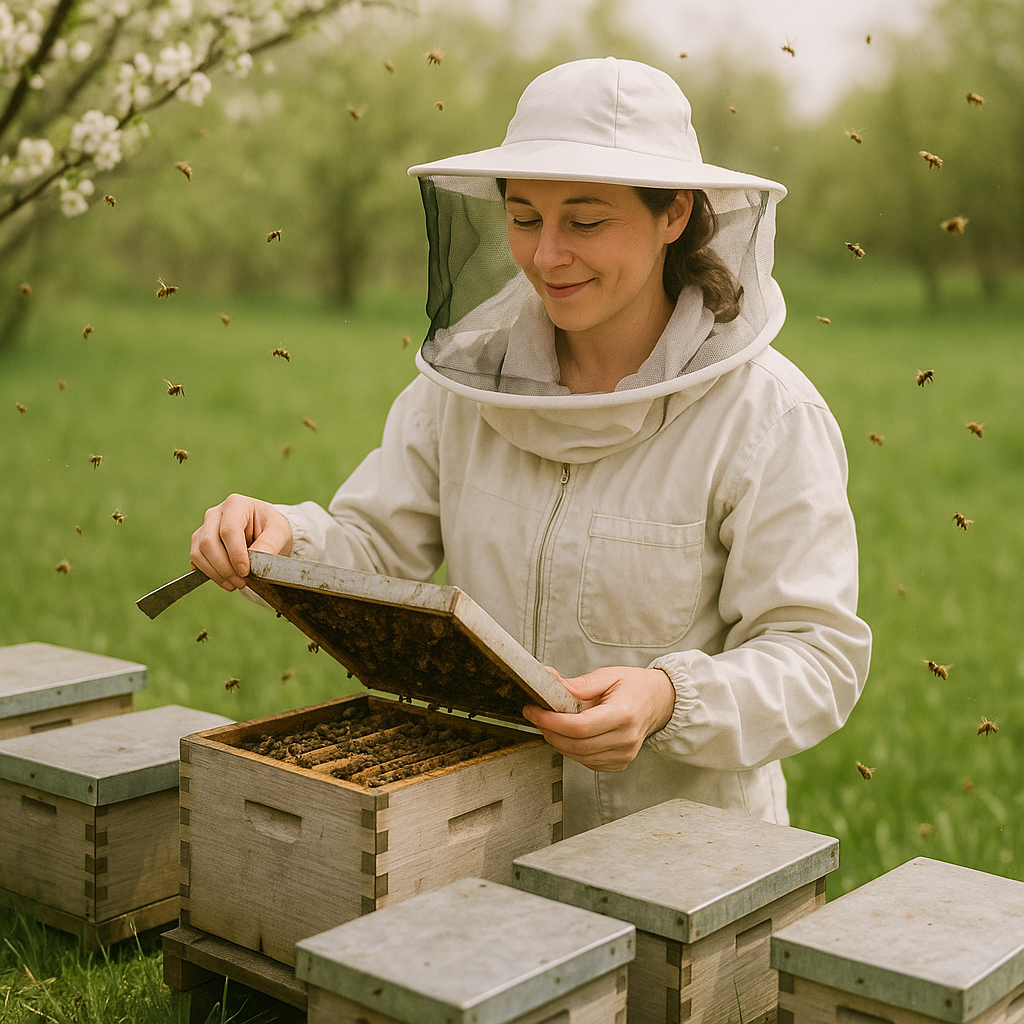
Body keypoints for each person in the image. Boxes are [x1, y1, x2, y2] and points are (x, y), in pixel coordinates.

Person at [190, 57, 871, 837]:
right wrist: (284, 536)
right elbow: (377, 549)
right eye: (523, 218)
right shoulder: (463, 389)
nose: (547, 256)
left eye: (585, 222)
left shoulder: (766, 416)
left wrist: (668, 699)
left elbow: (816, 656)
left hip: (688, 851)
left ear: (674, 213)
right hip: (480, 834)